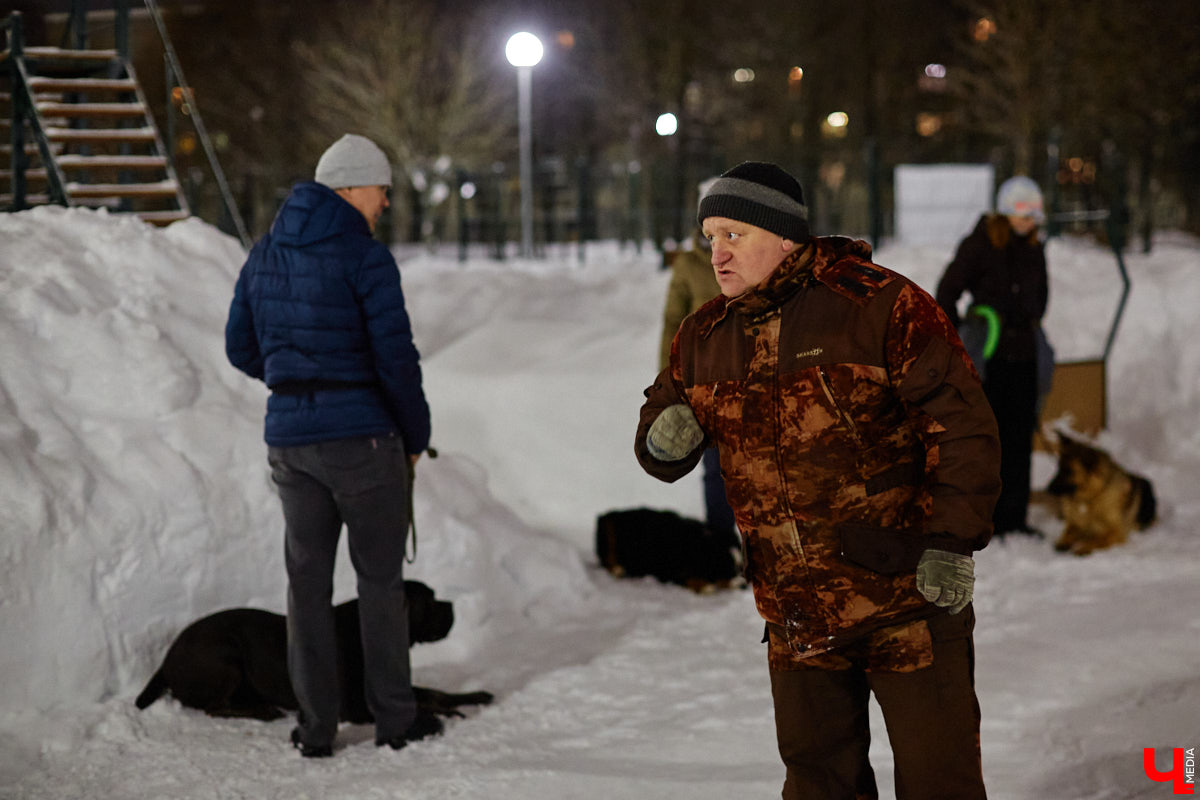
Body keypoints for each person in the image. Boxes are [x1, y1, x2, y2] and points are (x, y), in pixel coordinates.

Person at [635, 161, 1001, 799]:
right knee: (818, 785)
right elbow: (660, 430)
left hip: (906, 598)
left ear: (785, 237)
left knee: (939, 781)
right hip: (796, 616)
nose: (716, 253)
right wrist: (660, 440)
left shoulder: (880, 306)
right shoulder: (704, 335)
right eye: (710, 237)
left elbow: (962, 427)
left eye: (733, 235)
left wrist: (952, 542)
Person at [225, 133, 440, 757]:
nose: (385, 205)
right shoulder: (364, 257)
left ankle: (316, 728)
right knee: (379, 584)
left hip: (290, 443)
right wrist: (416, 435)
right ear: (350, 187)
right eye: (381, 191)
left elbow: (240, 346)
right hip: (364, 442)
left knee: (306, 586)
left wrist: (292, 382)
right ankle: (394, 720)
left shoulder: (265, 251)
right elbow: (395, 360)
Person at [936, 175, 1049, 536]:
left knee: (1020, 435)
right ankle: (987, 518)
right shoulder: (981, 242)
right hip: (989, 355)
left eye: (1033, 217)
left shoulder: (1033, 246)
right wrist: (958, 334)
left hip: (1024, 352)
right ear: (1005, 213)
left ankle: (1015, 518)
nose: (1028, 223)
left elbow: (1041, 297)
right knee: (990, 438)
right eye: (1023, 215)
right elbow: (948, 289)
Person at [659, 224, 736, 540]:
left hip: (753, 377)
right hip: (707, 381)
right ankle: (722, 538)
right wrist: (668, 383)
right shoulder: (688, 265)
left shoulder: (750, 258)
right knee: (717, 467)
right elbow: (672, 325)